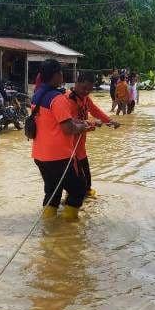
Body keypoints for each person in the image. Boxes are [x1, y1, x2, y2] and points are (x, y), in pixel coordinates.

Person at [31, 59, 89, 221]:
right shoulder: (58, 98)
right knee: (79, 189)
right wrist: (82, 127)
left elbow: (54, 120)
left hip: (40, 155)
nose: (62, 75)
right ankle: (69, 227)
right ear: (56, 75)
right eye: (61, 72)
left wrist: (79, 122)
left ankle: (49, 226)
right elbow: (68, 128)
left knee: (52, 191)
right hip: (59, 157)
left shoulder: (37, 95)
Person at [67, 71, 120, 199]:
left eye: (89, 90)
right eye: (84, 88)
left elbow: (95, 111)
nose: (86, 92)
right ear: (76, 83)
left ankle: (85, 202)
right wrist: (93, 123)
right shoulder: (68, 99)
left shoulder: (85, 98)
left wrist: (110, 121)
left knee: (87, 183)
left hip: (80, 149)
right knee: (78, 185)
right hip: (70, 150)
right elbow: (71, 123)